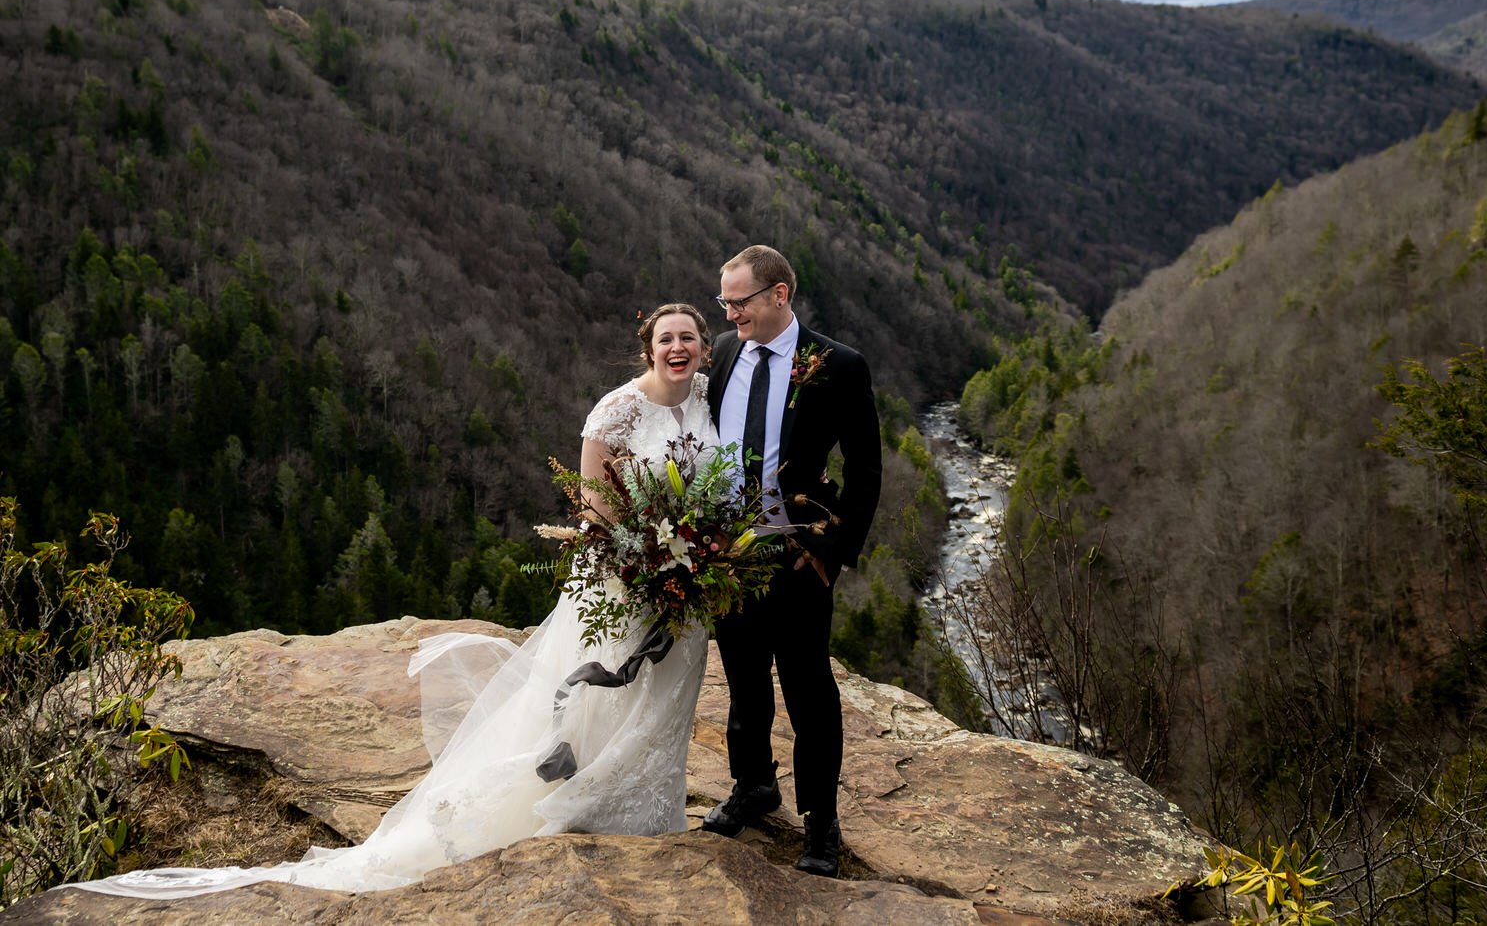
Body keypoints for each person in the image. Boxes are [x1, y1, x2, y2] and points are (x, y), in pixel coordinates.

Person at [67, 304, 720, 899]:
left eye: (689, 336)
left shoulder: (708, 401)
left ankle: (647, 804)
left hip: (686, 578)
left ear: (702, 348)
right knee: (598, 685)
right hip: (619, 575)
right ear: (647, 347)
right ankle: (583, 800)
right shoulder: (615, 411)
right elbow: (593, 504)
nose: (678, 346)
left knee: (663, 688)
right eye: (667, 337)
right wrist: (643, 557)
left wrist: (703, 552)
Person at [701, 245, 881, 878]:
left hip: (798, 554)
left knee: (809, 692)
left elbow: (865, 469)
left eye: (738, 301)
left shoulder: (838, 365)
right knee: (745, 683)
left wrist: (835, 552)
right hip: (726, 555)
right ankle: (753, 785)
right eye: (723, 301)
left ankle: (821, 821)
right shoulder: (724, 352)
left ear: (779, 296)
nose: (727, 313)